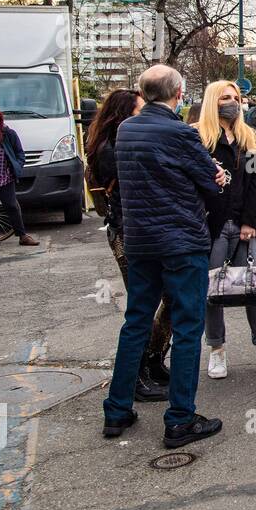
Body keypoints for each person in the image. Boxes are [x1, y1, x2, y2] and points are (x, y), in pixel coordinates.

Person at [103, 64, 226, 449]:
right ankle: (180, 418)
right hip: (181, 240)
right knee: (188, 325)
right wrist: (219, 176)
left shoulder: (126, 130)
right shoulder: (180, 133)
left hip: (141, 240)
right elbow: (209, 180)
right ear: (178, 93)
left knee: (136, 320)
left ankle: (117, 408)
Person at [86, 89, 170, 402]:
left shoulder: (112, 142)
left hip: (131, 229)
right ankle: (138, 375)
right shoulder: (114, 148)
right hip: (128, 233)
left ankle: (153, 360)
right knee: (143, 306)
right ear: (124, 114)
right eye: (139, 110)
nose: (144, 115)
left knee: (166, 299)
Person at [197, 80, 256, 380]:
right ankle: (216, 350)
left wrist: (248, 222)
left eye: (236, 97)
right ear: (212, 102)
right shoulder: (200, 138)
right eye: (225, 97)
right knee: (212, 290)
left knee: (255, 286)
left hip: (245, 225)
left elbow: (255, 184)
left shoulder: (248, 137)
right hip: (213, 225)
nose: (232, 102)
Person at [0, 108, 38, 248]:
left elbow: (20, 154)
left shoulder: (8, 134)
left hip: (4, 178)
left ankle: (22, 235)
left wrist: (16, 168)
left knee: (11, 206)